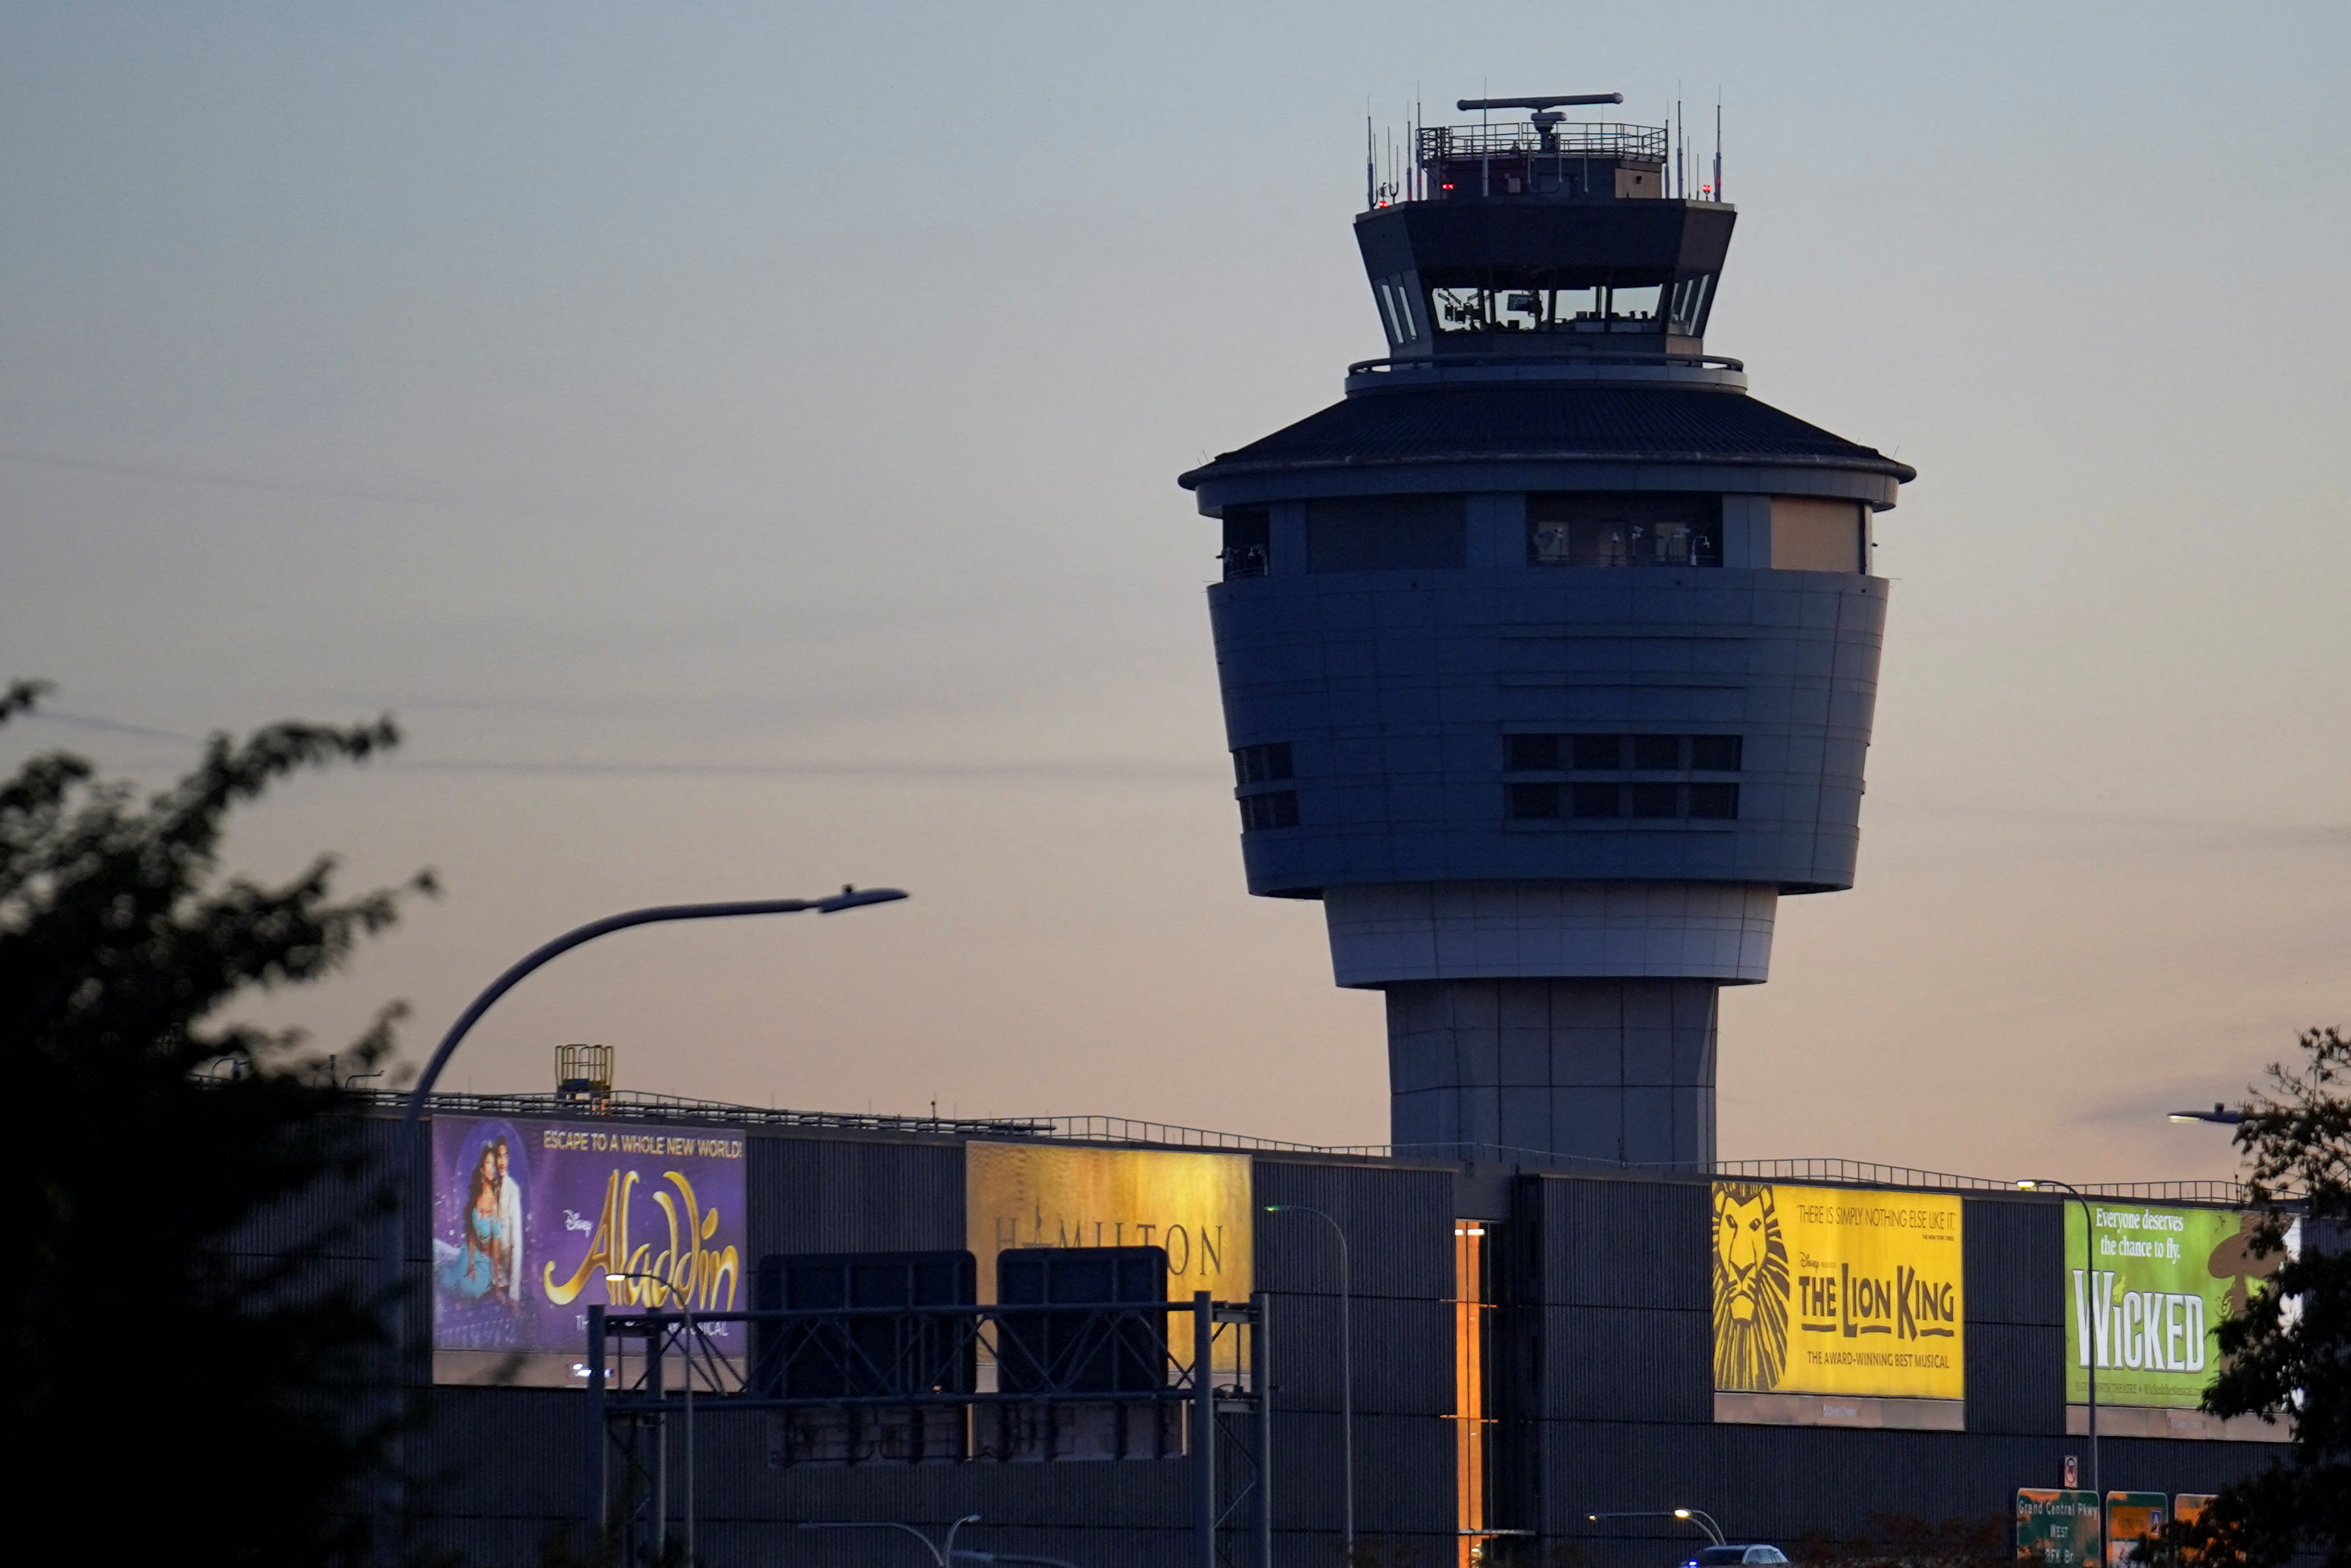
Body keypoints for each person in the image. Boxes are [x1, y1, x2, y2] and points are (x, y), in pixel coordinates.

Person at [437, 1145, 500, 1301]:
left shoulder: (495, 1202)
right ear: (482, 1168)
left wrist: (497, 1282)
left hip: (485, 1267)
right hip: (468, 1256)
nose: (492, 1168)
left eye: (494, 1164)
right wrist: (470, 1264)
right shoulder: (476, 1198)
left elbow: (496, 1243)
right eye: (488, 1163)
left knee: (460, 1285)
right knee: (436, 1251)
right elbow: (471, 1236)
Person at [493, 1137, 525, 1311]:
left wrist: (514, 1294)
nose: (502, 1161)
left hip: (503, 1280)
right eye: (499, 1156)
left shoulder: (512, 1191)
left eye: (505, 1156)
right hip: (486, 1273)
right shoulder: (489, 1187)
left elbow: (517, 1244)